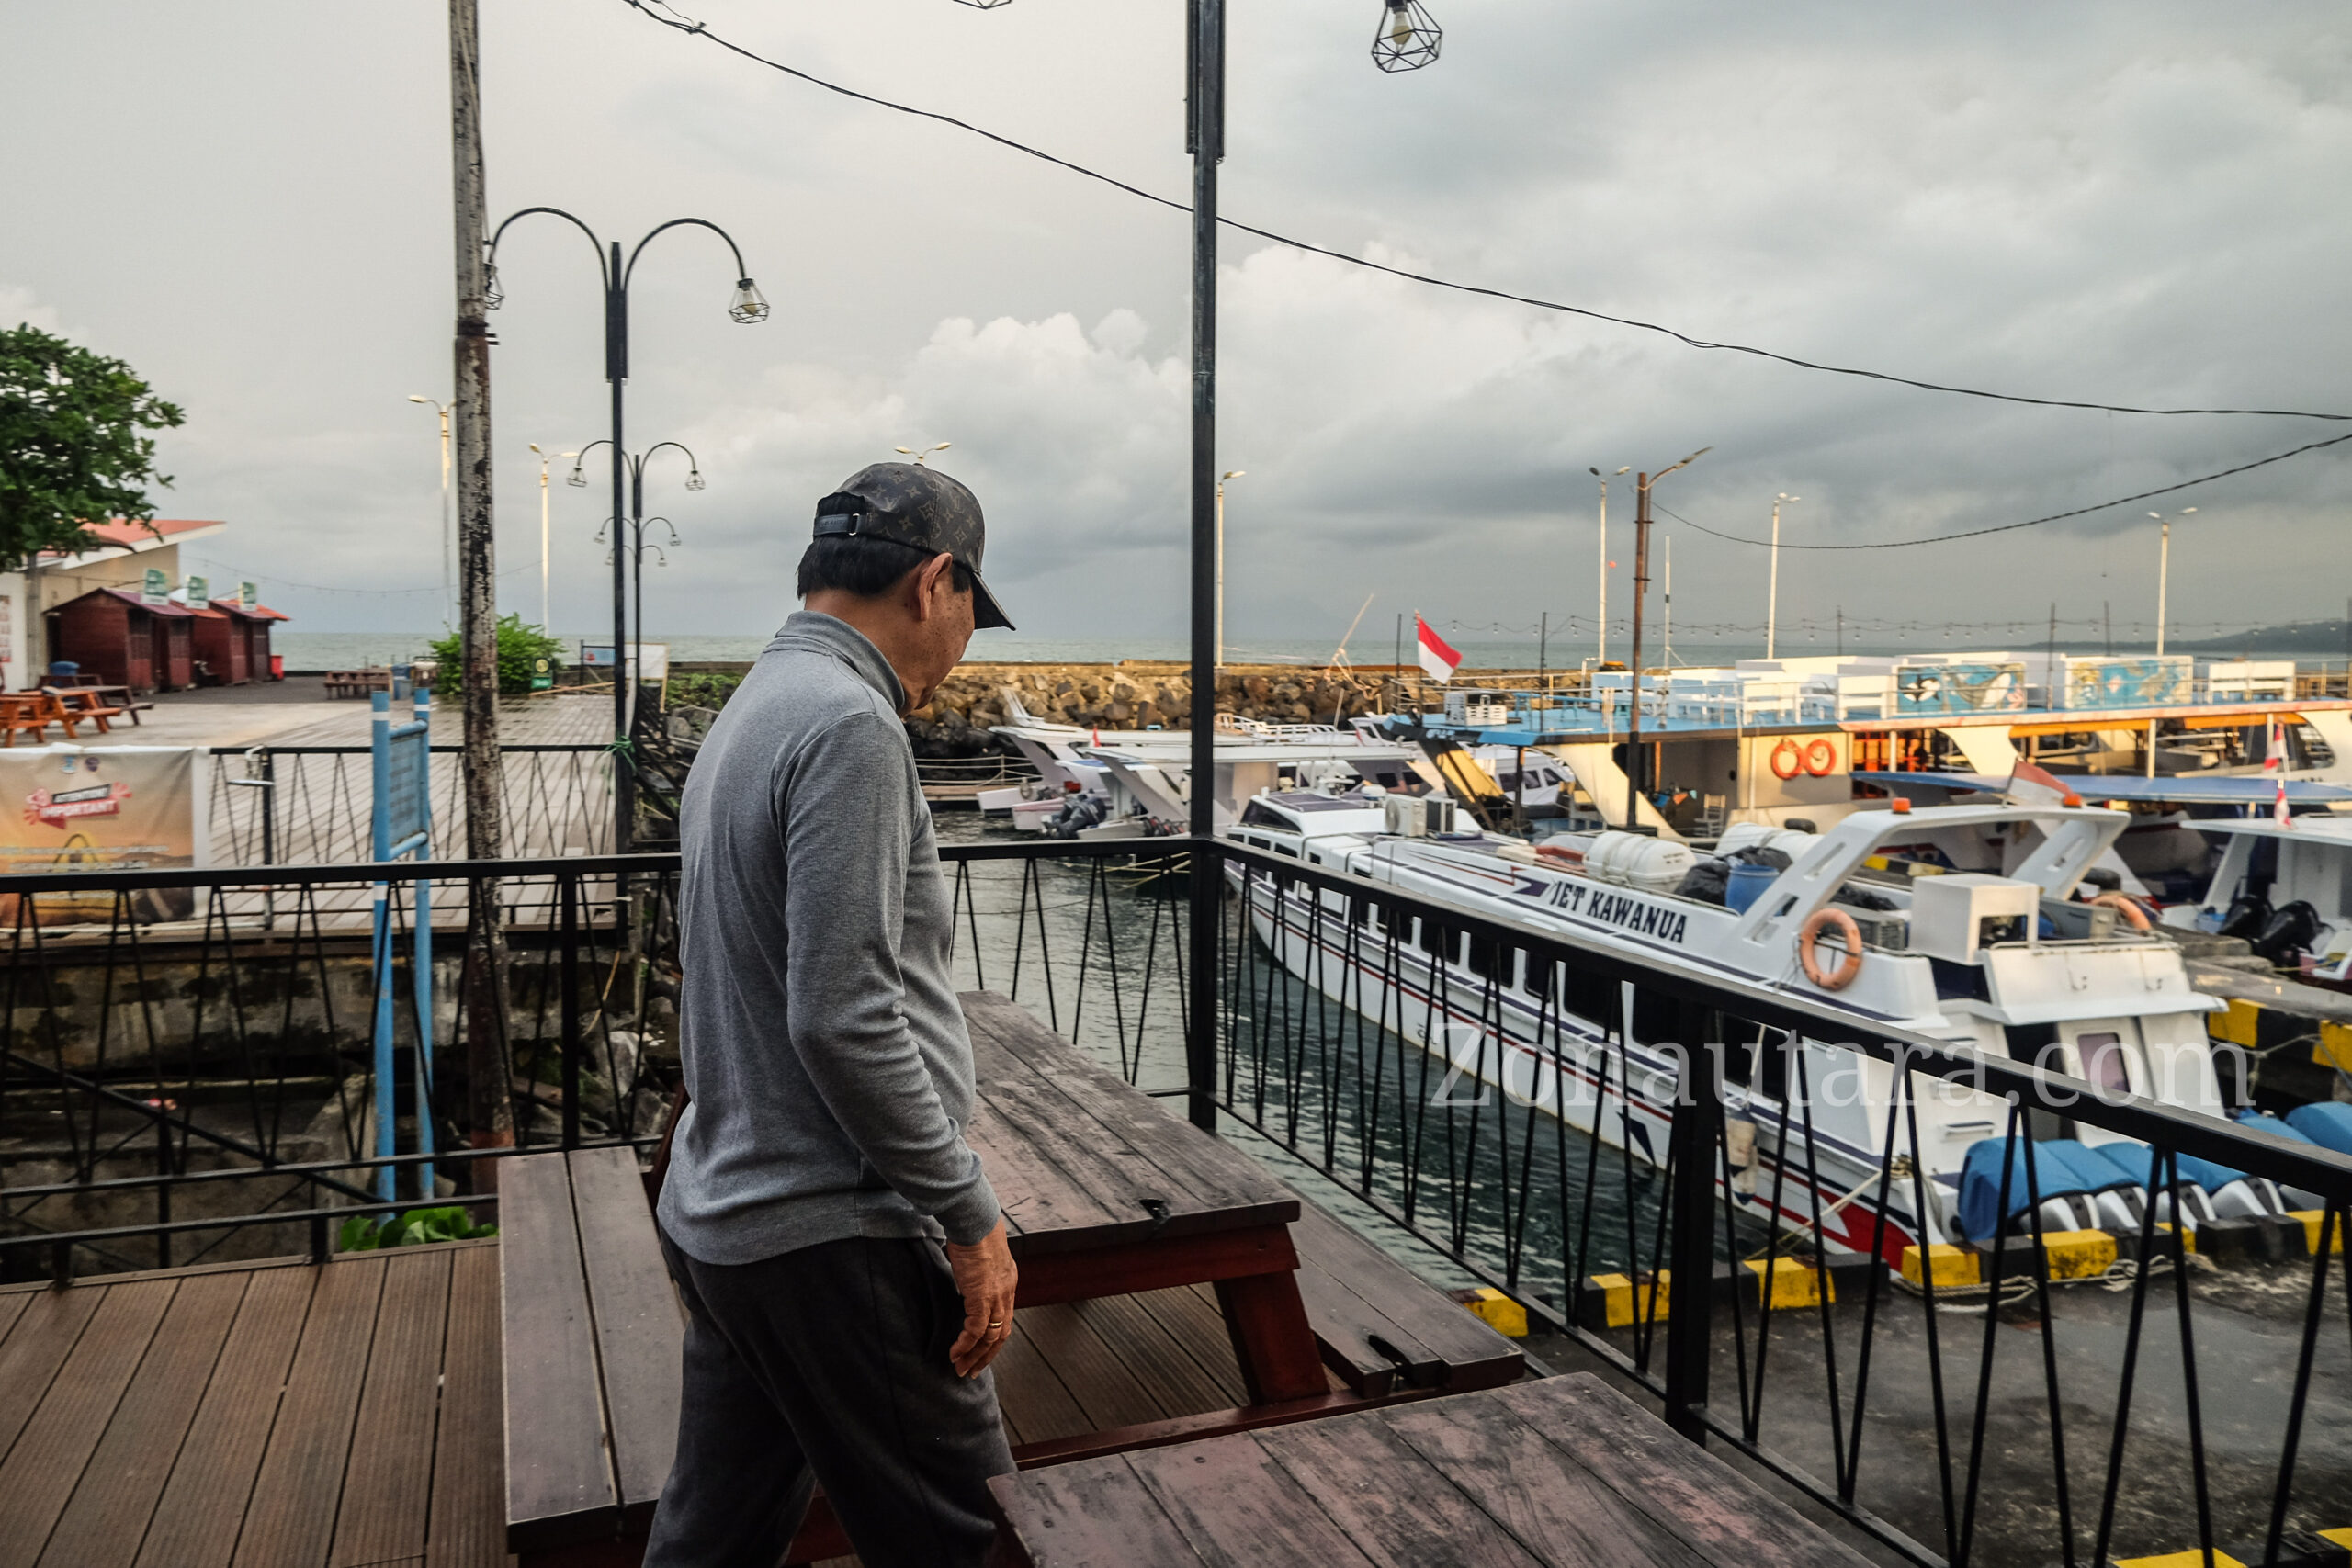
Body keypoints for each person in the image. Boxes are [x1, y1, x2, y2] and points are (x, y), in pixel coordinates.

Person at [648, 462, 1020, 1568]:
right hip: (830, 1231)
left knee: (713, 1538)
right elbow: (843, 1016)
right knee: (976, 1539)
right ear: (935, 581)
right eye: (969, 616)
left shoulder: (753, 708)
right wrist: (968, 1215)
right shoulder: (852, 726)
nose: (962, 649)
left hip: (726, 1213)